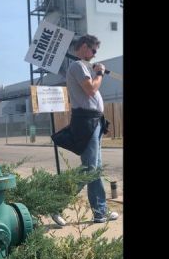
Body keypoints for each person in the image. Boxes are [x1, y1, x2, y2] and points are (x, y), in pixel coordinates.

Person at [51, 35, 119, 226]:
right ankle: (56, 205)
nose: (95, 54)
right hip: (86, 122)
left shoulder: (83, 67)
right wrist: (99, 73)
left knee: (94, 169)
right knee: (89, 169)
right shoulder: (77, 66)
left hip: (95, 121)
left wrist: (95, 71)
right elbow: (90, 89)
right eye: (93, 50)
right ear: (83, 47)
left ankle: (100, 212)